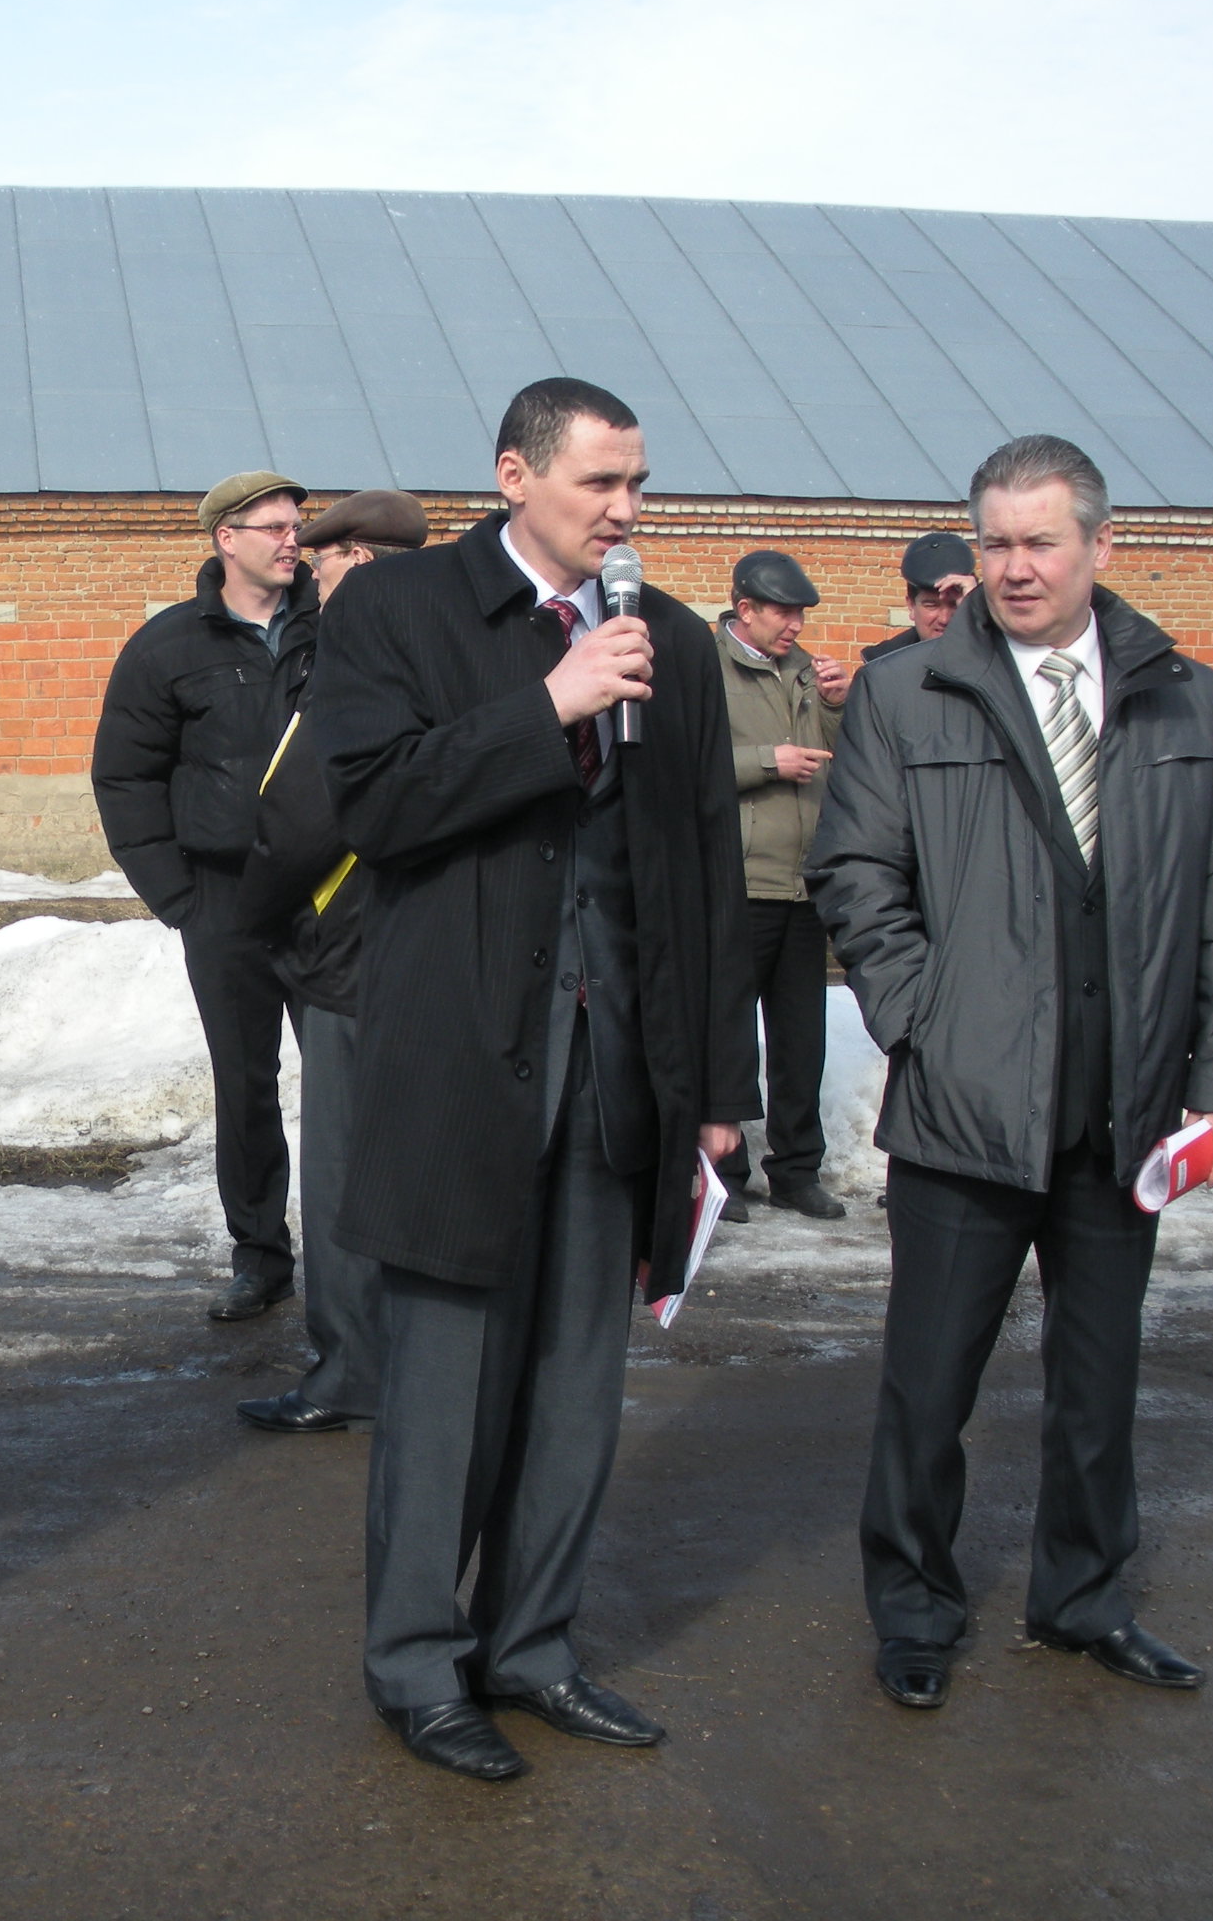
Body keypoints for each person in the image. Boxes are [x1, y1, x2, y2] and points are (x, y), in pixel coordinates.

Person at [308, 379, 758, 1781]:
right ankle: (418, 1668)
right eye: (598, 484)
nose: (626, 511)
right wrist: (545, 703)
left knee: (576, 1385)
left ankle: (534, 1645)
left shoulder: (667, 640)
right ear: (515, 475)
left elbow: (700, 871)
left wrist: (716, 1087)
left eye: (637, 485)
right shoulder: (399, 613)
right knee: (444, 1392)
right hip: (459, 1062)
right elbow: (371, 805)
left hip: (616, 1069)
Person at [807, 434, 1213, 1713]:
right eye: (993, 544)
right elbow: (854, 872)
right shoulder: (913, 693)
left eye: (1038, 543)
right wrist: (926, 1018)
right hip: (967, 1111)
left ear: (1098, 547)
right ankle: (913, 1607)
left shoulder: (1185, 698)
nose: (1011, 569)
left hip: (1122, 1109)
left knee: (1098, 1381)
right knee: (928, 1385)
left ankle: (1082, 1600)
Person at [93, 471, 321, 1323]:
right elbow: (125, 777)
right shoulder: (168, 647)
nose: (291, 540)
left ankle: (350, 1259)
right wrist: (177, 896)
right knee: (247, 1084)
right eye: (272, 527)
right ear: (226, 538)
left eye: (297, 527)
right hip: (224, 900)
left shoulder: (335, 632)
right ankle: (260, 1257)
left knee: (343, 1083)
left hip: (330, 896)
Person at [231, 489, 429, 1434]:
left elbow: (302, 818)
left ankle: (349, 1369)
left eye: (330, 558)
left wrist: (255, 919)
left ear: (365, 560)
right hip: (428, 948)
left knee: (348, 1172)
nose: (315, 573)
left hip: (350, 955)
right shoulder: (465, 643)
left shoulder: (361, 650)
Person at [714, 549, 851, 1225]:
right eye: (784, 612)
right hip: (741, 883)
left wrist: (832, 706)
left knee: (802, 1041)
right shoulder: (707, 667)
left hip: (803, 885)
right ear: (746, 610)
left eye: (801, 613)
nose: (796, 625)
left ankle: (797, 1171)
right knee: (731, 1038)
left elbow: (839, 757)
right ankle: (726, 1172)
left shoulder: (803, 671)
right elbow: (690, 760)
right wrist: (769, 761)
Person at [861, 531, 977, 662]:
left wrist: (978, 615)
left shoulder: (1000, 655)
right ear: (911, 606)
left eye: (954, 605)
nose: (944, 619)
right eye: (932, 606)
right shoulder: (883, 667)